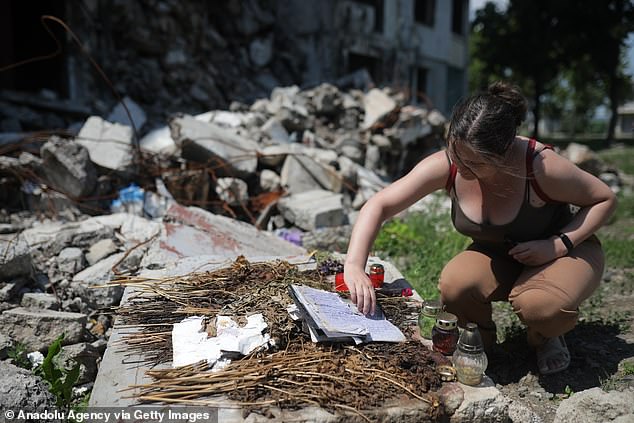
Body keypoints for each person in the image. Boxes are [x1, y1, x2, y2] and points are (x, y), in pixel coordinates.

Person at [343, 81, 617, 375]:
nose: (461, 167)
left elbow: (605, 199)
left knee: (541, 306)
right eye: (456, 153)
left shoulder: (540, 166)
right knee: (455, 283)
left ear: (504, 154)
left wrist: (559, 243)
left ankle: (545, 335)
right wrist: (354, 265)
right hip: (504, 255)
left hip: (564, 250)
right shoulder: (451, 162)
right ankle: (480, 343)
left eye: (474, 163)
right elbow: (379, 204)